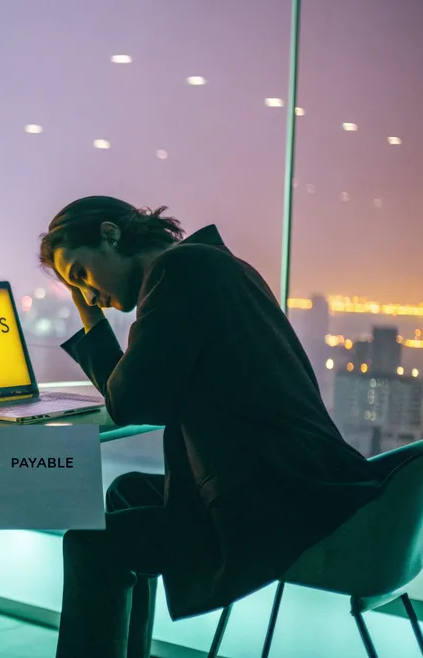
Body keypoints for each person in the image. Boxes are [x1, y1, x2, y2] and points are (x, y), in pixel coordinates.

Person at [38, 196, 387, 658]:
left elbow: (130, 401)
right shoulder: (215, 264)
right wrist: (92, 310)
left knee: (90, 546)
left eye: (81, 275)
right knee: (127, 493)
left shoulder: (178, 273)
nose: (87, 295)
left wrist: (91, 321)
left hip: (278, 503)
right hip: (302, 478)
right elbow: (139, 396)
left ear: (110, 234)